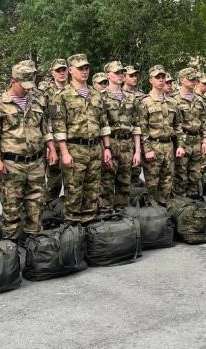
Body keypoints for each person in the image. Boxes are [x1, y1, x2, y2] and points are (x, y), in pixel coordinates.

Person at [0, 60, 56, 240]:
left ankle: (34, 249)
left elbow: (45, 128)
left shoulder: (38, 100)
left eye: (30, 84)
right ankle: (12, 249)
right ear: (13, 80)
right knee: (12, 210)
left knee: (36, 207)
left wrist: (52, 149)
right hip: (12, 164)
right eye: (23, 85)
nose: (27, 89)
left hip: (36, 163)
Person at [52, 54, 113, 223]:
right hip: (74, 149)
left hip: (94, 148)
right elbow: (59, 127)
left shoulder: (96, 94)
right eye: (80, 68)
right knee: (74, 191)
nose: (84, 71)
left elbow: (104, 123)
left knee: (93, 190)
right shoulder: (62, 96)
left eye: (86, 68)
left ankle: (90, 227)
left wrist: (106, 148)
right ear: (71, 70)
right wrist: (64, 152)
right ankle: (73, 227)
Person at [138, 65, 186, 202]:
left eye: (163, 77)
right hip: (154, 146)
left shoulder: (172, 102)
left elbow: (178, 126)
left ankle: (165, 213)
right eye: (157, 77)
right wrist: (147, 150)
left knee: (167, 183)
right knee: (152, 184)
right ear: (151, 80)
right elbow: (143, 129)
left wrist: (180, 145)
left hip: (169, 146)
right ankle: (153, 214)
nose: (161, 80)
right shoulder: (144, 102)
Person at [100, 60, 142, 211]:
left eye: (121, 72)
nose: (120, 75)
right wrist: (106, 148)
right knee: (106, 183)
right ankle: (106, 216)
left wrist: (137, 151)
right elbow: (101, 125)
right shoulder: (101, 97)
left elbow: (136, 126)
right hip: (110, 143)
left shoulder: (130, 97)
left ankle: (122, 217)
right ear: (108, 75)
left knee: (125, 183)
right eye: (116, 72)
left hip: (127, 144)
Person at [173, 67, 206, 197]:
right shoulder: (174, 99)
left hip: (197, 140)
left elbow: (204, 121)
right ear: (182, 80)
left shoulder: (199, 100)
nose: (194, 81)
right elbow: (173, 124)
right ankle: (180, 203)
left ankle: (192, 204)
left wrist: (205, 141)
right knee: (180, 173)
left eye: (195, 79)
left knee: (195, 173)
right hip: (183, 139)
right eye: (191, 79)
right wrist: (179, 144)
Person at [41, 58, 69, 200]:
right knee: (54, 182)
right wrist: (49, 145)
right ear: (53, 73)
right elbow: (44, 120)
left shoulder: (74, 90)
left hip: (72, 143)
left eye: (64, 69)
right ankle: (50, 211)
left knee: (73, 182)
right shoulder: (46, 94)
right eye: (58, 70)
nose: (61, 73)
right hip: (54, 144)